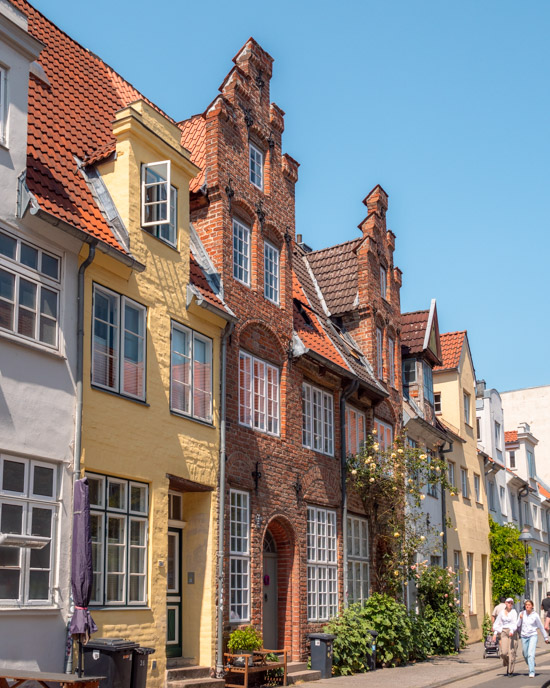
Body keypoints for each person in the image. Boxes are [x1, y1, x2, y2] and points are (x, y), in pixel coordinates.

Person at [518, 599, 550, 677]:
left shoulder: (535, 615)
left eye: (529, 605)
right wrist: (520, 618)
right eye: (526, 605)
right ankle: (531, 663)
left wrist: (546, 637)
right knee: (525, 654)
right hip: (524, 636)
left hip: (533, 635)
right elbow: (518, 625)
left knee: (530, 654)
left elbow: (541, 627)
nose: (527, 606)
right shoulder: (522, 614)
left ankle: (531, 671)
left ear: (532, 606)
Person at [492, 598, 518, 675]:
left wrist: (512, 631)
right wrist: (495, 633)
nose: (510, 604)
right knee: (503, 652)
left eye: (511, 603)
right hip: (503, 631)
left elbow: (514, 623)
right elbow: (497, 623)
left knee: (511, 652)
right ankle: (507, 663)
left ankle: (510, 670)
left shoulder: (513, 612)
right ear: (505, 603)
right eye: (509, 603)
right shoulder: (502, 612)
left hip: (511, 632)